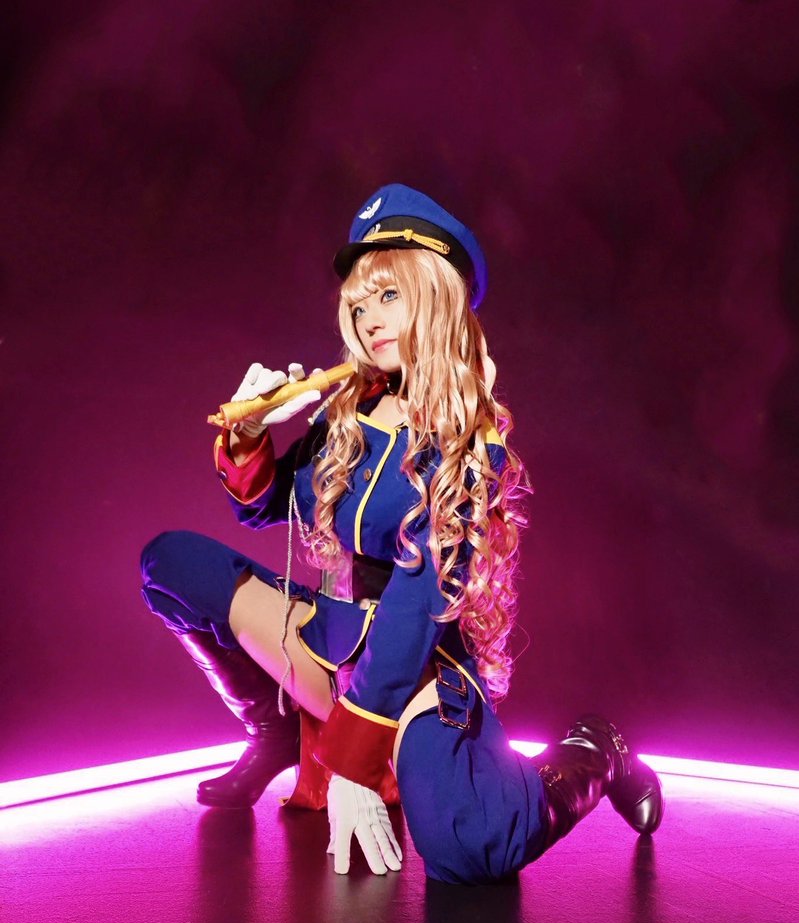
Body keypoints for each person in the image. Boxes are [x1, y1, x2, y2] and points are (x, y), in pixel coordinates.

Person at [141, 183, 663, 884]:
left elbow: (416, 605)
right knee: (171, 564)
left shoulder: (470, 445)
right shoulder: (345, 411)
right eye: (359, 304)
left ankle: (596, 749)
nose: (368, 319)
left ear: (437, 298)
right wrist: (249, 434)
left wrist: (353, 760)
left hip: (417, 661)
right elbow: (269, 508)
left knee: (469, 847)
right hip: (333, 638)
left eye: (389, 295)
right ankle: (274, 733)